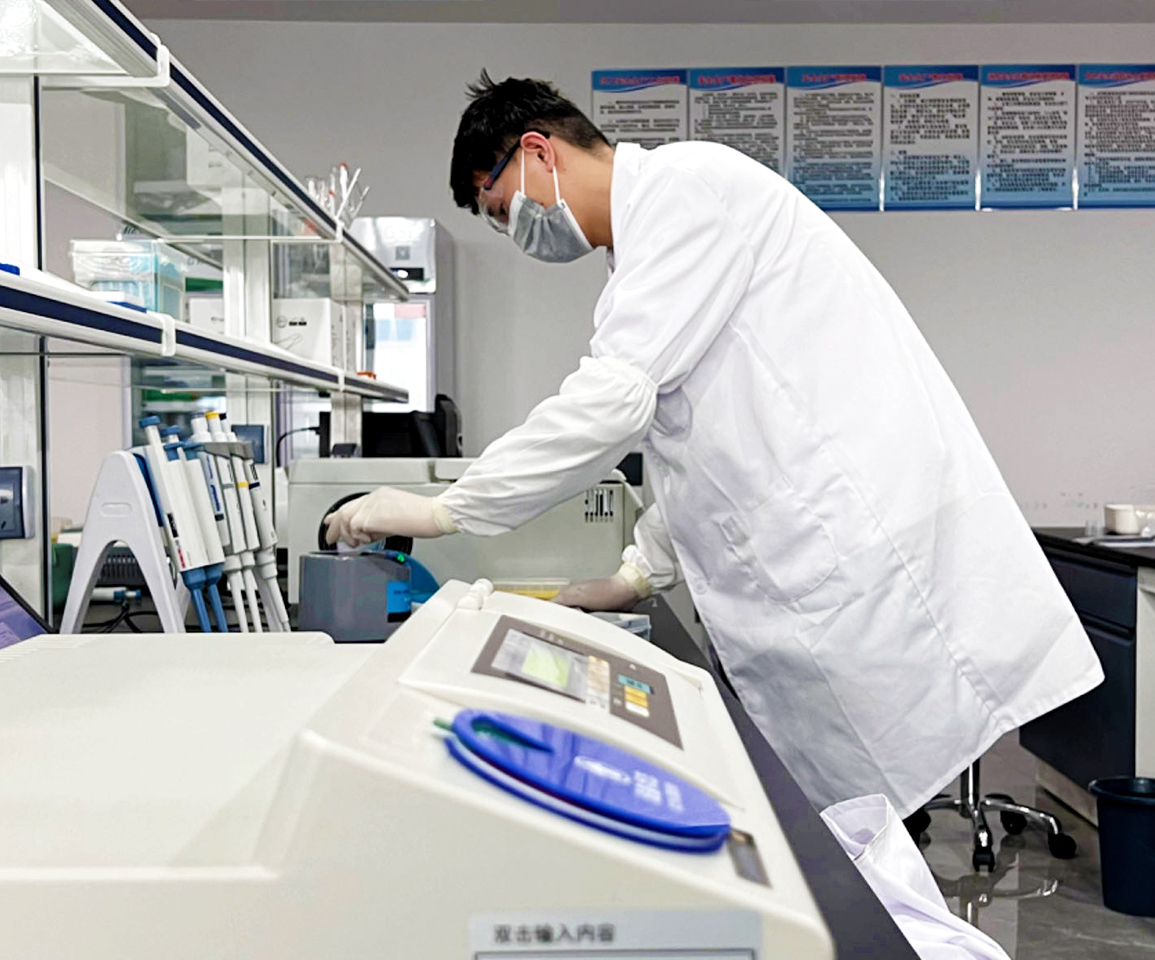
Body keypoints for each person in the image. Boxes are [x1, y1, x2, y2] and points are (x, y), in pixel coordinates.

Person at [325, 71, 1103, 819]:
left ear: (536, 150)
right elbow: (690, 447)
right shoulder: (642, 254)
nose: (514, 231)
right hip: (809, 571)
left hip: (856, 559)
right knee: (851, 825)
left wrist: (447, 509)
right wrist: (636, 573)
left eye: (501, 209)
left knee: (863, 829)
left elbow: (613, 400)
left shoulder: (685, 189)